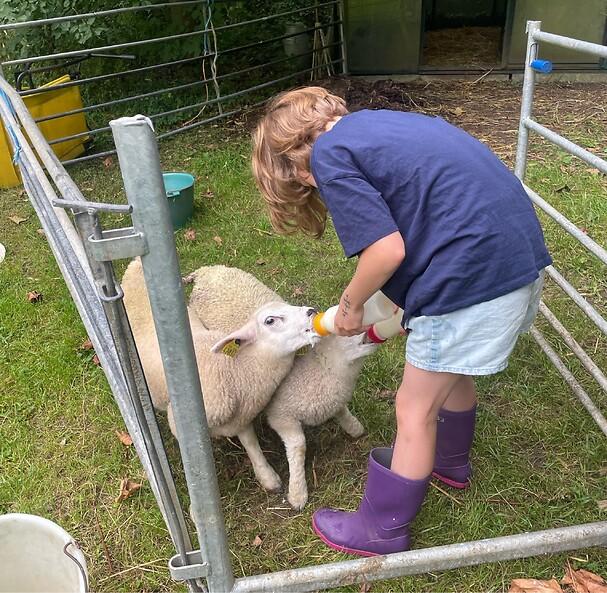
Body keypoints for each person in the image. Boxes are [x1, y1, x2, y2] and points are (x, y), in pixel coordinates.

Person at [251, 86, 551, 557]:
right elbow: (425, 213)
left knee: (413, 409)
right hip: (516, 263)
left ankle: (381, 530)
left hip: (470, 278)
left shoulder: (329, 155)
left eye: (301, 182)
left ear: (292, 162)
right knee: (448, 368)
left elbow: (386, 250)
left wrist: (351, 305)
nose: (309, 187)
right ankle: (449, 462)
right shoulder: (382, 125)